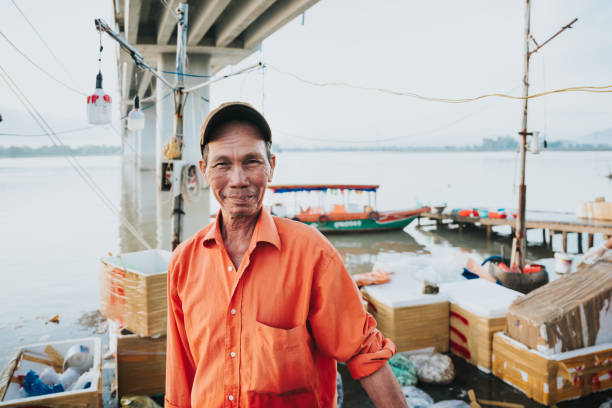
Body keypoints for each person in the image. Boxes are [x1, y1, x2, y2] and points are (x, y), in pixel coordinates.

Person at [165, 102, 407, 408]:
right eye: (222, 164)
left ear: (271, 166)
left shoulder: (311, 253)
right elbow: (180, 379)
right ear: (204, 171)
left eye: (251, 161)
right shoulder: (183, 262)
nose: (238, 179)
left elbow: (365, 353)